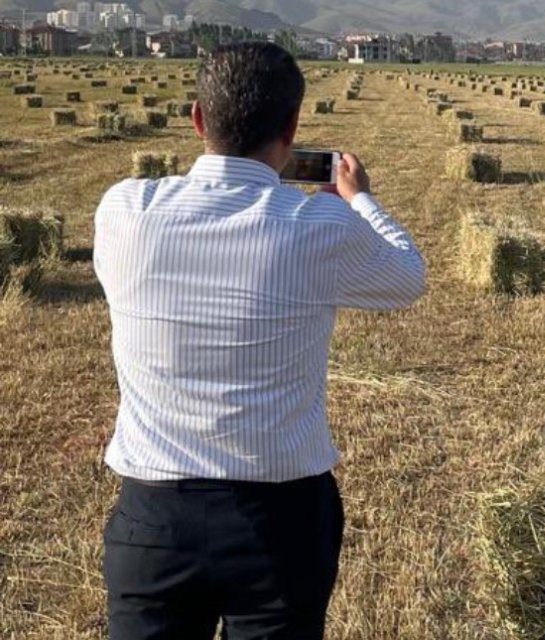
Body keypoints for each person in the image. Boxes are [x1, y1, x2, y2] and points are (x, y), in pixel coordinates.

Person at [93, 41, 425, 639]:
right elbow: (407, 276)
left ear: (197, 118)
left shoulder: (125, 210)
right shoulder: (314, 227)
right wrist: (359, 201)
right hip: (280, 520)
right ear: (292, 126)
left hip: (154, 520)